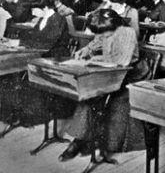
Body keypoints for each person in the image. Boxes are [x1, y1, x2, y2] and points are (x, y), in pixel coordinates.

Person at [59, 9, 148, 162]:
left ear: (113, 26)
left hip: (131, 75)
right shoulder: (106, 29)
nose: (103, 36)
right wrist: (85, 50)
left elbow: (122, 61)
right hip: (111, 72)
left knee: (103, 98)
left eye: (105, 33)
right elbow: (97, 41)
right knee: (88, 94)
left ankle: (97, 143)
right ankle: (80, 139)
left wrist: (95, 60)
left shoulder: (127, 32)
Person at [0, 0, 71, 131]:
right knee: (9, 76)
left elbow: (48, 42)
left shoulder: (58, 19)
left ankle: (33, 116)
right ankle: (16, 114)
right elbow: (33, 35)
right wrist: (14, 40)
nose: (33, 13)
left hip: (55, 57)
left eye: (35, 10)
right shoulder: (43, 19)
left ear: (43, 8)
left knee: (27, 78)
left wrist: (20, 43)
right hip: (42, 53)